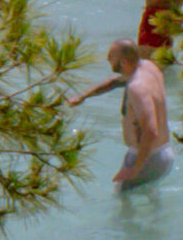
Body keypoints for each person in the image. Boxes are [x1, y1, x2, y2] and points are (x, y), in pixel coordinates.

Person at [69, 40, 173, 190]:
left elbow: (150, 131)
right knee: (151, 195)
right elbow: (115, 82)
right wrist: (83, 96)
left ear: (123, 62)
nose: (107, 59)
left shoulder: (137, 88)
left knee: (122, 201)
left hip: (146, 158)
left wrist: (136, 168)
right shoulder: (149, 68)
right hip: (165, 154)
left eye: (111, 56)